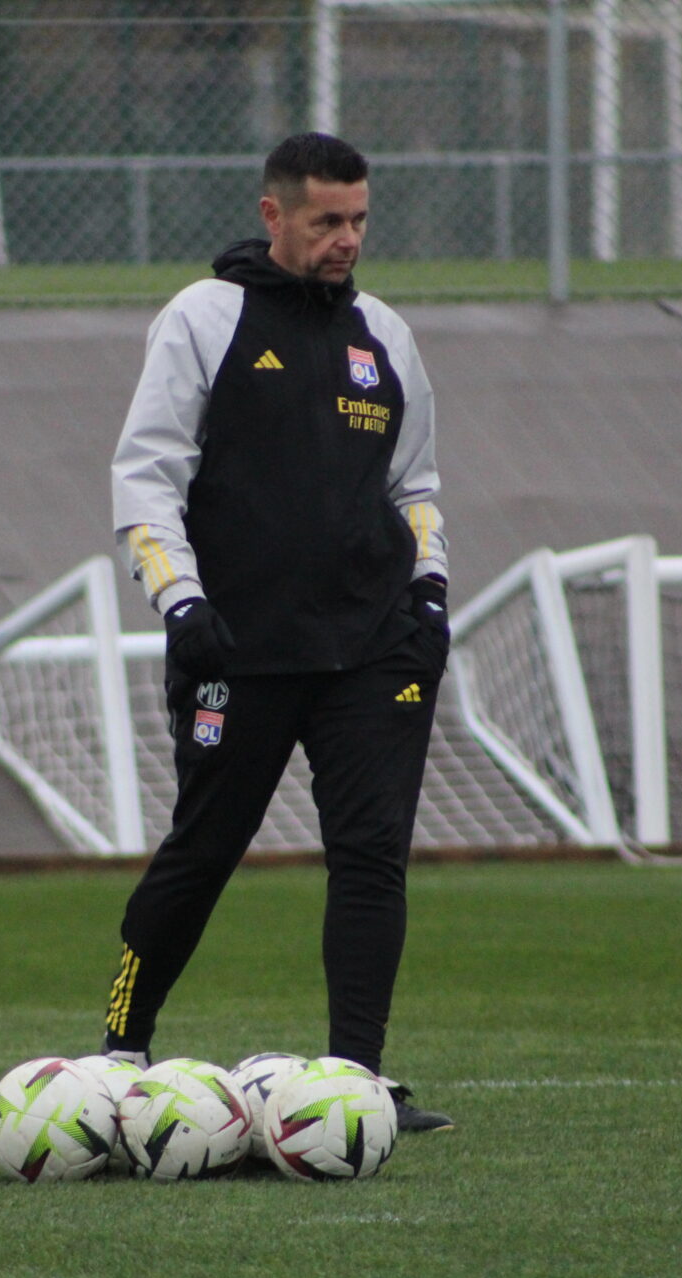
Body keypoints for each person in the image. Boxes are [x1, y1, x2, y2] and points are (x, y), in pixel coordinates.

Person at [100, 132, 453, 1132]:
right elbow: (145, 479)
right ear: (274, 216)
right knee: (206, 843)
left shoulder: (383, 332)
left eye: (360, 220)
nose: (348, 240)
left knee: (373, 850)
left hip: (374, 647)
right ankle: (122, 1042)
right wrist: (180, 601)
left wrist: (428, 594)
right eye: (327, 221)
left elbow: (414, 484)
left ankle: (358, 1081)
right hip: (239, 647)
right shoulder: (205, 318)